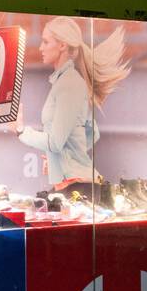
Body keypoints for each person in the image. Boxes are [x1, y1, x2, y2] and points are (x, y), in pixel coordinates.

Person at [12, 17, 130, 185]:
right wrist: (60, 156)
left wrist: (21, 131)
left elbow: (55, 143)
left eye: (45, 42)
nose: (40, 48)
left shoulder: (69, 85)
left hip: (75, 184)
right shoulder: (68, 82)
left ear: (62, 45)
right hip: (74, 182)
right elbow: (91, 132)